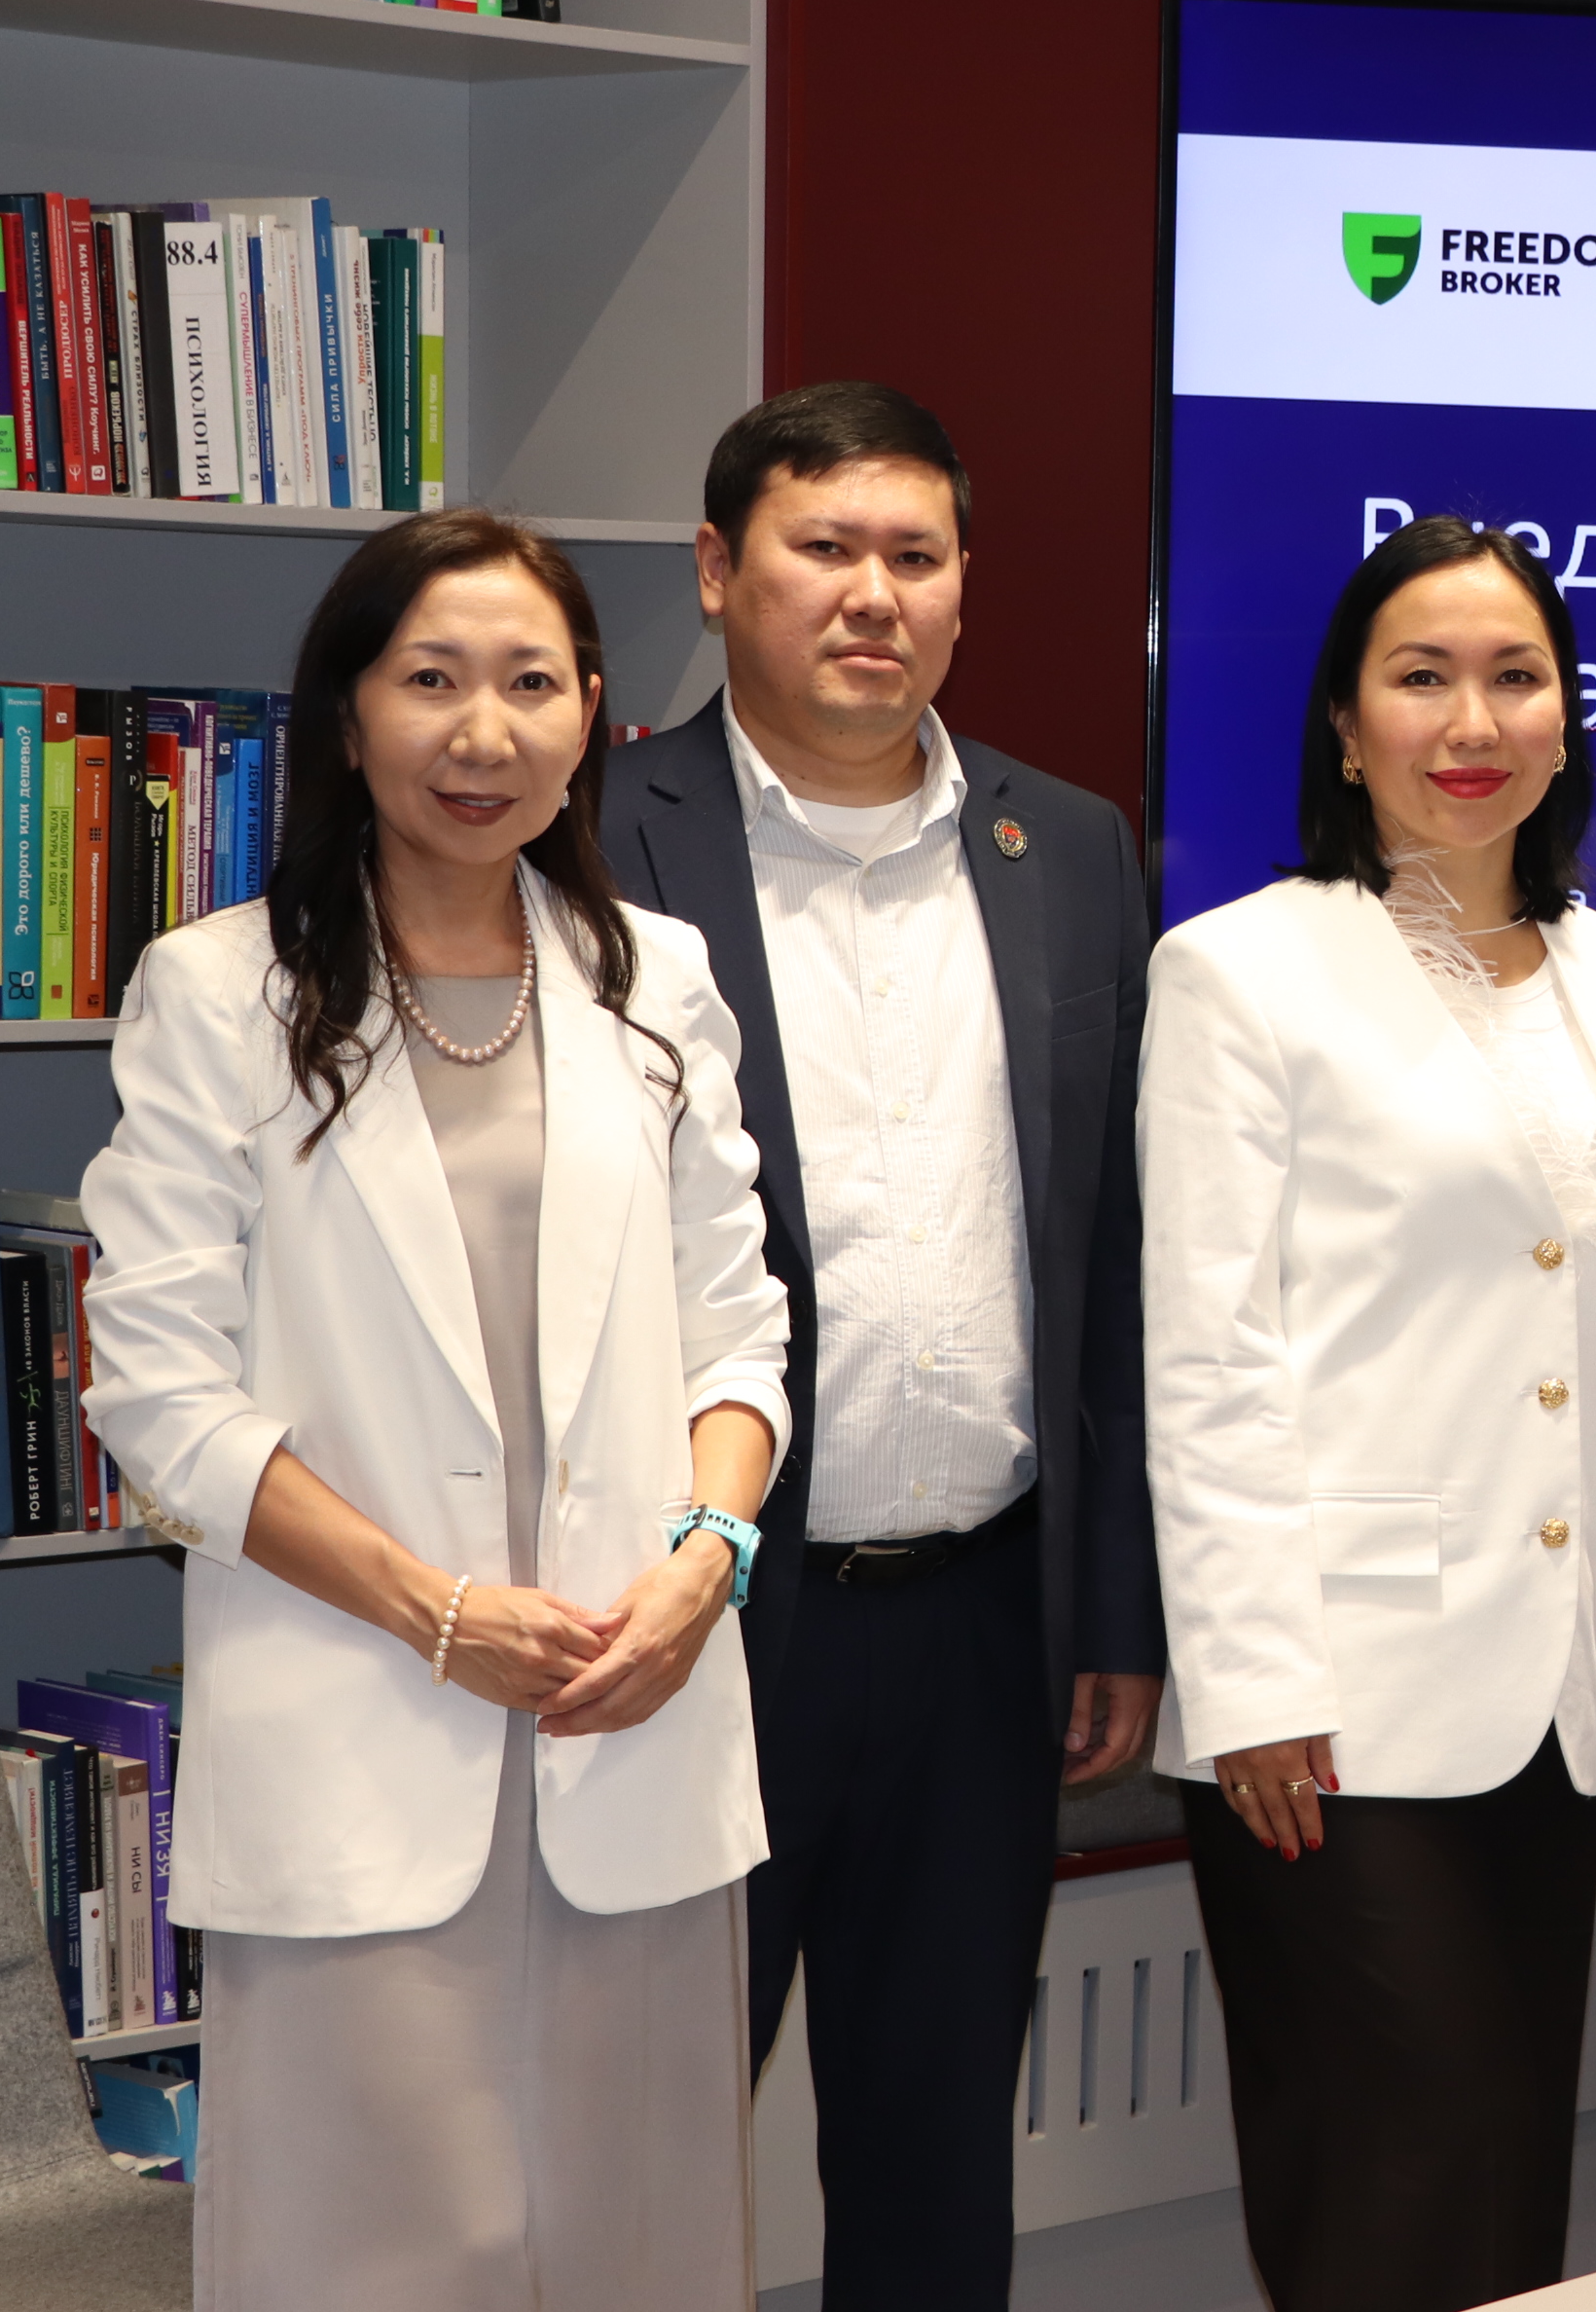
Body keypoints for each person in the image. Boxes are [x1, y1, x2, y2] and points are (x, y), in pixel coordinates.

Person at [80, 511, 790, 2308]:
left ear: (592, 714)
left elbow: (740, 1333)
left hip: (633, 1719)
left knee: (643, 2255)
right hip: (362, 1726)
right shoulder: (219, 992)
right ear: (349, 714)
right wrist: (437, 1611)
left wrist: (706, 1560)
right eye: (433, 681)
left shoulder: (657, 979)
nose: (486, 733)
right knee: (377, 2262)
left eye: (532, 683)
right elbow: (158, 1396)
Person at [600, 383, 1166, 2307]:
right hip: (700, 1620)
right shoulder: (597, 837)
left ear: (962, 585)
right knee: (643, 2165)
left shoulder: (1065, 843)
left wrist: (1110, 1608)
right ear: (717, 571)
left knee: (934, 2179)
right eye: (823, 547)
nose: (873, 594)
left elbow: (1108, 1249)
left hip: (983, 1631)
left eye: (914, 555)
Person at [1141, 515, 1596, 2312]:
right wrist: (1251, 1683)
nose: (1474, 721)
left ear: (1568, 717)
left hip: (1562, 1688)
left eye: (1516, 677)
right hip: (1337, 1701)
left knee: (1508, 2172)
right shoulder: (1241, 971)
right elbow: (1209, 1352)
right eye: (1422, 677)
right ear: (1344, 724)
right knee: (1393, 2175)